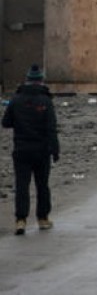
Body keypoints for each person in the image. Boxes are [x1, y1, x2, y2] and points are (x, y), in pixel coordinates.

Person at [2, 64, 59, 235]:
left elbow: (5, 123)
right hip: (41, 150)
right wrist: (55, 150)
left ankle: (21, 220)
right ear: (41, 81)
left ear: (26, 80)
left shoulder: (16, 99)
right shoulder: (46, 101)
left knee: (21, 186)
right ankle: (42, 219)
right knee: (42, 185)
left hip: (21, 149)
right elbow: (51, 128)